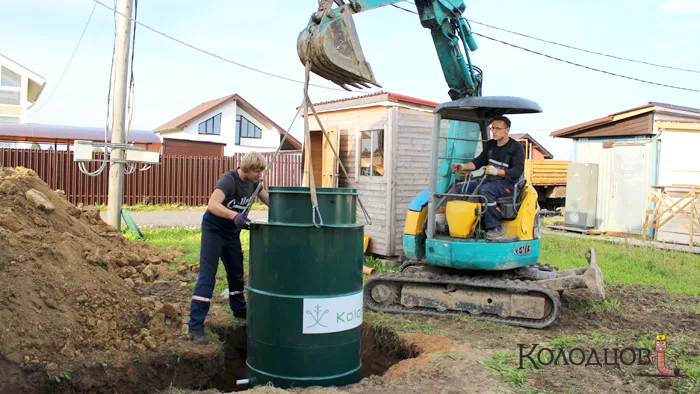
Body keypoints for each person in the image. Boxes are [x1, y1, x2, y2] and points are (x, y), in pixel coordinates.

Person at [188, 151, 269, 345]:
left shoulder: (255, 184)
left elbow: (272, 201)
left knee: (236, 272)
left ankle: (240, 310)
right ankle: (195, 324)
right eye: (257, 171)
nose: (260, 175)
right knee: (208, 275)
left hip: (232, 233)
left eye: (261, 171)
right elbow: (212, 205)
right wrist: (234, 216)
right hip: (214, 230)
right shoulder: (228, 180)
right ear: (247, 169)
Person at [451, 116, 525, 241]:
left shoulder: (516, 148)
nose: (494, 131)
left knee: (485, 191)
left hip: (507, 185)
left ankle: (494, 228)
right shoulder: (491, 145)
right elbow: (477, 162)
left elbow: (517, 172)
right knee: (460, 188)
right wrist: (462, 167)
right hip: (489, 181)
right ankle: (465, 225)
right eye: (492, 128)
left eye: (497, 128)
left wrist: (497, 172)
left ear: (507, 130)